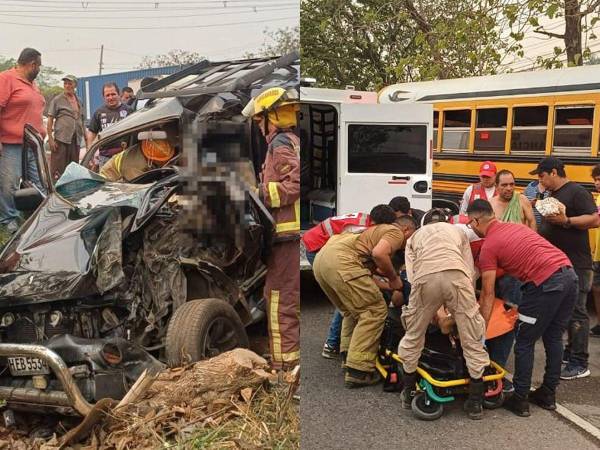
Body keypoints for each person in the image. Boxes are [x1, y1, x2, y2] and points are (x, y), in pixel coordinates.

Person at [467, 199, 577, 417]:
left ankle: (520, 399)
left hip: (544, 284)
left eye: (471, 224)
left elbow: (487, 294)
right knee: (554, 338)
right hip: (569, 276)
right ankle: (547, 394)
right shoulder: (516, 227)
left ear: (476, 220)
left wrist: (480, 331)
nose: (471, 228)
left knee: (524, 341)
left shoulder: (489, 245)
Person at [399, 219, 490, 420]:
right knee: (472, 336)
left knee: (414, 334)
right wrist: (457, 306)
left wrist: (430, 308)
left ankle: (408, 392)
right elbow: (469, 270)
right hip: (456, 275)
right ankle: (475, 402)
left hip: (425, 277)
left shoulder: (414, 237)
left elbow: (412, 276)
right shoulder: (458, 232)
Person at [313, 216, 417, 387]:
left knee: (352, 310)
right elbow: (379, 254)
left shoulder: (368, 235)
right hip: (341, 262)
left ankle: (348, 355)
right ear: (407, 229)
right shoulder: (395, 232)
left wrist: (389, 285)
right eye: (411, 236)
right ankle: (358, 371)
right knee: (374, 311)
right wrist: (393, 278)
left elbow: (364, 276)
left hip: (323, 261)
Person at [242, 87, 300, 370]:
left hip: (286, 235)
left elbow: (295, 184)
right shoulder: (290, 139)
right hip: (288, 235)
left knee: (278, 301)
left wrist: (259, 192)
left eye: (258, 120)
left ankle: (285, 367)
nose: (258, 126)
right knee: (284, 297)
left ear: (272, 118)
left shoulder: (280, 144)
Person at [531, 157, 599, 380]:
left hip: (577, 263)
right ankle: (570, 353)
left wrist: (567, 221)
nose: (540, 182)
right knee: (566, 311)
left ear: (553, 172)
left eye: (541, 176)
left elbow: (594, 219)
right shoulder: (554, 195)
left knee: (577, 311)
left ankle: (580, 362)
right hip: (560, 263)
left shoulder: (577, 191)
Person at [302, 205, 397, 359]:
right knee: (347, 296)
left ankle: (342, 345)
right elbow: (351, 262)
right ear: (381, 224)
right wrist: (391, 278)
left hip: (316, 243)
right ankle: (332, 345)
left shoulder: (365, 220)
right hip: (318, 248)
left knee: (349, 296)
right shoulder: (360, 230)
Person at [0, 48, 46, 233]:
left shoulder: (33, 84)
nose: (40, 70)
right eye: (39, 66)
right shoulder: (6, 79)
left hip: (32, 145)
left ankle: (37, 217)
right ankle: (8, 220)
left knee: (38, 183)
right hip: (11, 143)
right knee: (9, 184)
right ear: (32, 64)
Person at [46, 75, 85, 180]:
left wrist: (86, 139)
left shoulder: (79, 101)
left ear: (75, 85)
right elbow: (50, 120)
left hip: (75, 138)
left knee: (73, 168)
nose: (67, 86)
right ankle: (55, 190)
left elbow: (82, 121)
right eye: (65, 83)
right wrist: (50, 138)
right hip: (61, 138)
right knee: (58, 169)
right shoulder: (57, 100)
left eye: (70, 83)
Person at [87, 82, 133, 168]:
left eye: (113, 94)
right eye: (107, 95)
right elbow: (92, 133)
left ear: (119, 94)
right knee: (106, 181)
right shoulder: (99, 113)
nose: (110, 98)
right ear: (103, 97)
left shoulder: (129, 111)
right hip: (105, 158)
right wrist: (90, 153)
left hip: (125, 156)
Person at [100, 130, 176, 182]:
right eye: (162, 161)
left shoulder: (148, 146)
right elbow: (137, 187)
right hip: (109, 177)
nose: (164, 162)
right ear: (151, 159)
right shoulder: (134, 166)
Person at [591, 164, 600, 337]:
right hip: (597, 251)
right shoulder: (597, 198)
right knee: (597, 288)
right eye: (596, 180)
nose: (597, 183)